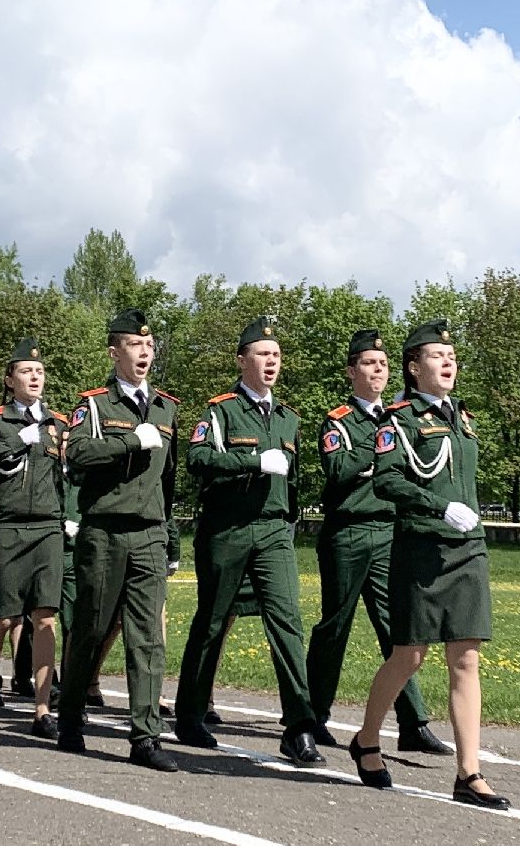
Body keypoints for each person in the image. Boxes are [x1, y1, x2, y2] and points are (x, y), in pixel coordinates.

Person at [349, 319, 510, 810]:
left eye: (453, 357)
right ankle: (367, 739)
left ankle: (469, 772)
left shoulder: (463, 417)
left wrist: (463, 517)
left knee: (466, 658)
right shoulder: (397, 420)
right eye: (438, 357)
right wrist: (438, 507)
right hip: (422, 549)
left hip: (467, 548)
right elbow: (387, 482)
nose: (448, 363)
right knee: (410, 655)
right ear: (415, 367)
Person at [173, 317, 324, 766]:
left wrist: (289, 517)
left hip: (275, 531)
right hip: (228, 530)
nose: (271, 361)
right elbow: (197, 459)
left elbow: (294, 482)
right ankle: (190, 712)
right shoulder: (221, 411)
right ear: (242, 361)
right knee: (213, 622)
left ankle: (299, 726)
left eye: (276, 355)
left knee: (286, 621)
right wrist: (254, 461)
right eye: (262, 354)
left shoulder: (289, 417)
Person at [305, 329, 448, 754]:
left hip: (388, 532)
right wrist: (381, 451)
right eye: (369, 363)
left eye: (383, 364)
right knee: (335, 627)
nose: (379, 370)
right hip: (349, 532)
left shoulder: (402, 416)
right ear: (352, 372)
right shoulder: (338, 421)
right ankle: (314, 716)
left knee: (399, 630)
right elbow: (339, 469)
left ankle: (413, 723)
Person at [56, 308, 179, 772]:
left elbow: (169, 479)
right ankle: (71, 717)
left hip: (149, 531)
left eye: (149, 347)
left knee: (147, 637)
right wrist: (129, 442)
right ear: (115, 352)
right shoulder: (94, 405)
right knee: (90, 626)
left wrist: (171, 538)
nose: (144, 353)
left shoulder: (167, 407)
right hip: (104, 532)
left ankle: (145, 736)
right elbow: (78, 454)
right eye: (134, 346)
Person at [0, 339, 67, 739]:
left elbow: (67, 476)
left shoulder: (58, 424)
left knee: (45, 618)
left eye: (39, 372)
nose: (35, 377)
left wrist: (68, 518)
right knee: (4, 617)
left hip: (47, 528)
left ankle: (42, 709)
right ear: (9, 380)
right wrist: (14, 441)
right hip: (7, 528)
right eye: (26, 371)